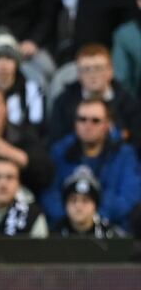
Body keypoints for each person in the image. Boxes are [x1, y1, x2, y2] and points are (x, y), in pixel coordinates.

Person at [41, 98, 141, 230]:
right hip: (65, 230)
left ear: (107, 125)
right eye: (82, 119)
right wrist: (73, 219)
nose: (88, 125)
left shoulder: (124, 154)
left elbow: (129, 196)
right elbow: (49, 193)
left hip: (112, 230)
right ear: (75, 123)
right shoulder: (59, 151)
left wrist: (93, 219)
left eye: (95, 120)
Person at [49, 43, 141, 147]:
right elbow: (56, 141)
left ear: (110, 71)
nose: (93, 75)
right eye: (86, 69)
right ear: (78, 74)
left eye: (98, 68)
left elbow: (137, 141)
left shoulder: (129, 102)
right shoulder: (63, 102)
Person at [52, 166, 126, 238]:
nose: (78, 206)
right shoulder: (53, 235)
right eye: (73, 200)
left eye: (85, 200)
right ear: (65, 205)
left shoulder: (110, 235)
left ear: (95, 205)